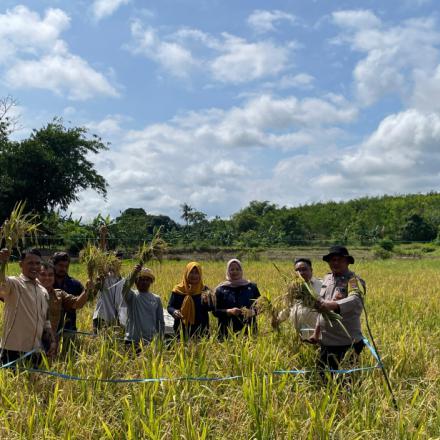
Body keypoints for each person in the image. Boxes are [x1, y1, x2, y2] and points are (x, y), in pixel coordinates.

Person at [310, 245, 366, 372]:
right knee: (324, 379)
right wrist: (316, 333)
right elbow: (321, 309)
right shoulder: (327, 279)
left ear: (347, 262)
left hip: (347, 343)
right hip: (326, 342)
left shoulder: (353, 280)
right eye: (332, 260)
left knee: (346, 383)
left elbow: (356, 299)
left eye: (339, 260)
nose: (335, 263)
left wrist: (334, 305)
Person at [0, 248, 56, 367]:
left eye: (37, 263)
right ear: (21, 264)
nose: (34, 266)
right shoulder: (14, 284)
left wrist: (51, 341)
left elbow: (45, 321)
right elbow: (1, 281)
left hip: (36, 351)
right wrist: (2, 262)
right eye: (30, 263)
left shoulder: (43, 291)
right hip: (12, 350)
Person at [37, 261, 91, 350]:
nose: (47, 277)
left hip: (51, 343)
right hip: (31, 343)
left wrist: (87, 290)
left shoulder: (59, 294)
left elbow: (77, 304)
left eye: (50, 275)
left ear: (54, 277)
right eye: (43, 274)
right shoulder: (29, 292)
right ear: (37, 276)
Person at [213, 259, 260, 339]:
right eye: (232, 269)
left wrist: (252, 312)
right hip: (226, 332)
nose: (235, 272)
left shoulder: (251, 287)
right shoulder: (220, 289)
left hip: (249, 330)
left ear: (241, 270)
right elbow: (215, 311)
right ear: (228, 271)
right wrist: (229, 311)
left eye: (237, 269)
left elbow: (261, 306)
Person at [276, 258, 322, 338]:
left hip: (318, 334)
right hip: (298, 334)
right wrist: (277, 320)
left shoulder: (322, 285)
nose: (301, 273)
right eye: (297, 270)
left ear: (311, 270)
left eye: (304, 269)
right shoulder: (293, 288)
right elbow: (288, 308)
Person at [122, 265, 165, 349]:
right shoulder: (132, 296)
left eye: (147, 280)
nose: (144, 282)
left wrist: (160, 340)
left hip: (149, 342)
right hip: (132, 341)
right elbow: (125, 287)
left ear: (151, 281)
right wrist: (133, 274)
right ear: (135, 282)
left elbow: (160, 323)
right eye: (141, 279)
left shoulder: (156, 299)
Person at [167, 262, 213, 339]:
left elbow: (211, 308)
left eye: (196, 273)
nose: (194, 275)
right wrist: (174, 311)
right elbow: (170, 307)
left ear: (200, 275)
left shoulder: (204, 290)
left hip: (201, 330)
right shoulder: (178, 289)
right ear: (187, 273)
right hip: (181, 328)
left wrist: (207, 302)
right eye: (191, 272)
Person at [92, 251, 126, 333]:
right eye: (116, 260)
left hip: (114, 320)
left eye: (120, 261)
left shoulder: (122, 280)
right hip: (101, 317)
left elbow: (121, 302)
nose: (118, 263)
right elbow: (93, 293)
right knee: (98, 342)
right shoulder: (104, 277)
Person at [52, 252, 85, 334]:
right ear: (53, 265)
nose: (63, 269)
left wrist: (92, 288)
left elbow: (86, 299)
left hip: (69, 329)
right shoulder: (47, 282)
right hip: (50, 330)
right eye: (60, 265)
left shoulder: (75, 284)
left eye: (66, 266)